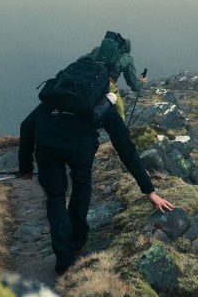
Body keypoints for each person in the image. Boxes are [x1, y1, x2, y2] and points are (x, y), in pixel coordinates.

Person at [18, 93, 175, 275]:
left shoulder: (59, 94)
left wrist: (26, 166)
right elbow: (125, 148)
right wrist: (149, 191)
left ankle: (64, 259)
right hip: (80, 147)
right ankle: (77, 240)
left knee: (55, 196)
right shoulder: (103, 101)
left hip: (47, 144)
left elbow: (26, 125)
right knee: (81, 183)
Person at [84, 31, 147, 121]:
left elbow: (81, 60)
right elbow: (134, 85)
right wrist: (141, 82)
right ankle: (119, 133)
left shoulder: (98, 49)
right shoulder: (127, 58)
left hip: (89, 80)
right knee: (120, 112)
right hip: (108, 85)